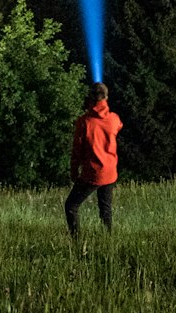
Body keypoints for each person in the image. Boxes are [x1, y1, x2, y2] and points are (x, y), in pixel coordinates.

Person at [65, 81, 122, 236]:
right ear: (106, 97)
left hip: (93, 173)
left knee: (71, 206)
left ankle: (76, 240)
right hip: (110, 172)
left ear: (90, 98)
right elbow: (118, 126)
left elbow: (77, 150)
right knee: (105, 209)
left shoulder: (84, 122)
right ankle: (108, 239)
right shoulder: (114, 119)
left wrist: (74, 171)